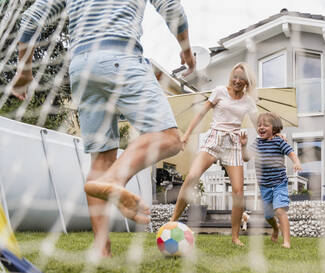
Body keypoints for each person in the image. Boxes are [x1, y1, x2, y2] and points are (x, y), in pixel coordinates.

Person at [11, 0, 195, 257]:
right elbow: (172, 7)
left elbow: (32, 18)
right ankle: (113, 180)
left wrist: (24, 69)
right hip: (121, 57)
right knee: (170, 138)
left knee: (101, 159)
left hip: (82, 69)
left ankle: (101, 248)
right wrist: (186, 51)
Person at [169, 62, 257, 246]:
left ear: (247, 82)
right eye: (235, 76)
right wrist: (186, 134)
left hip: (233, 143)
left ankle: (235, 236)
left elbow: (259, 124)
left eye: (242, 78)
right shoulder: (219, 91)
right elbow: (201, 114)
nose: (237, 80)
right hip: (215, 138)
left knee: (238, 191)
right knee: (192, 176)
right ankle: (172, 222)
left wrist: (275, 134)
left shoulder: (248, 101)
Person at [241, 113, 302, 248]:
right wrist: (243, 146)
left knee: (280, 211)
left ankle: (286, 241)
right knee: (268, 216)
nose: (261, 127)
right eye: (259, 125)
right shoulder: (257, 143)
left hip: (279, 183)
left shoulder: (279, 141)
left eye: (265, 125)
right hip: (264, 186)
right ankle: (275, 228)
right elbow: (245, 158)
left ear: (274, 128)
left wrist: (296, 162)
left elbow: (291, 153)